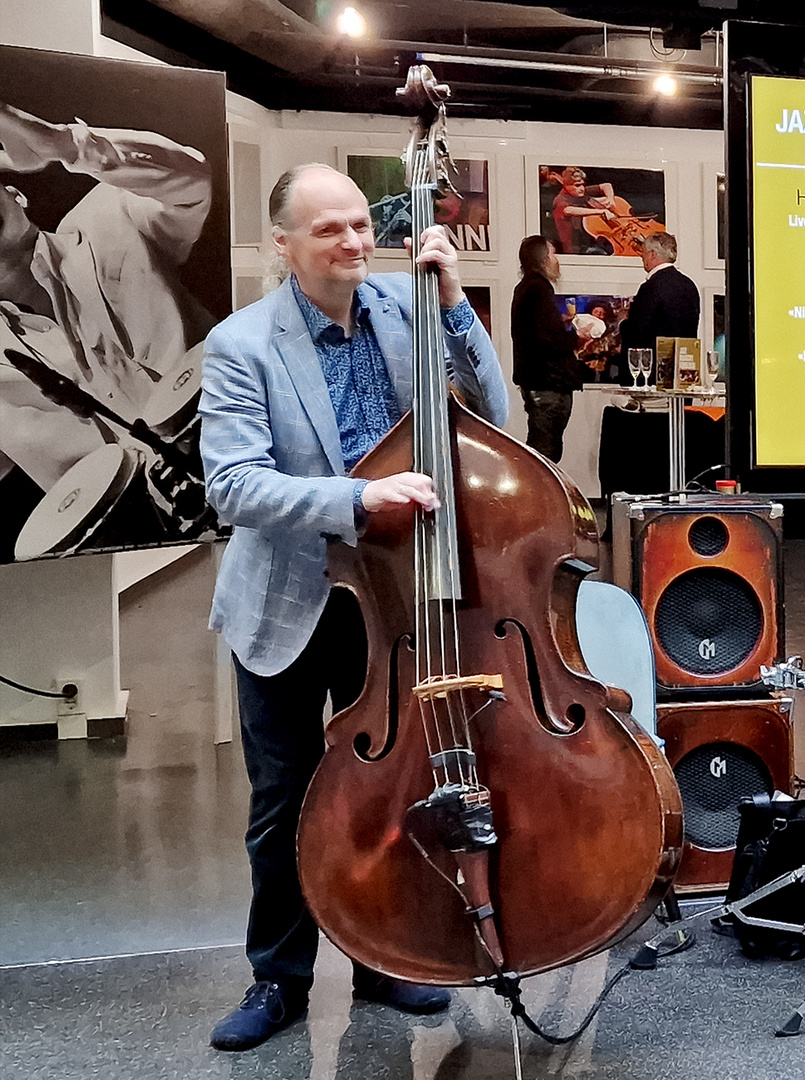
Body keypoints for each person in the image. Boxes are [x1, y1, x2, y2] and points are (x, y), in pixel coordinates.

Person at [198, 163, 508, 1051]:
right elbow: (234, 487)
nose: (354, 243)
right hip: (292, 601)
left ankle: (385, 956)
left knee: (389, 786)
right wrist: (355, 500)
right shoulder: (241, 344)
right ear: (283, 246)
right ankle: (278, 978)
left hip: (398, 602)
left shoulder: (407, 313)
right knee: (287, 801)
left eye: (361, 227)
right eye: (329, 230)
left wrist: (453, 303)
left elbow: (494, 411)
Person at [0, 101, 214, 552]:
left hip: (254, 463)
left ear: (17, 195)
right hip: (142, 556)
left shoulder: (107, 217)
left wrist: (65, 144)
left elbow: (193, 178)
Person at [509, 235, 583, 461]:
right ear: (542, 260)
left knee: (544, 450)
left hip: (539, 382)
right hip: (548, 382)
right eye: (551, 253)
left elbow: (538, 331)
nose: (556, 259)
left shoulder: (526, 288)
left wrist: (559, 325)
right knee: (544, 454)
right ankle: (538, 497)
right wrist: (575, 337)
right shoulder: (539, 289)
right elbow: (548, 339)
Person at [619, 231, 699, 381]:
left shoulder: (650, 287)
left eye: (643, 252)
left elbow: (638, 332)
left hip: (650, 376)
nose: (641, 257)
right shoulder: (689, 285)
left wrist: (623, 321)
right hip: (683, 372)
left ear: (652, 254)